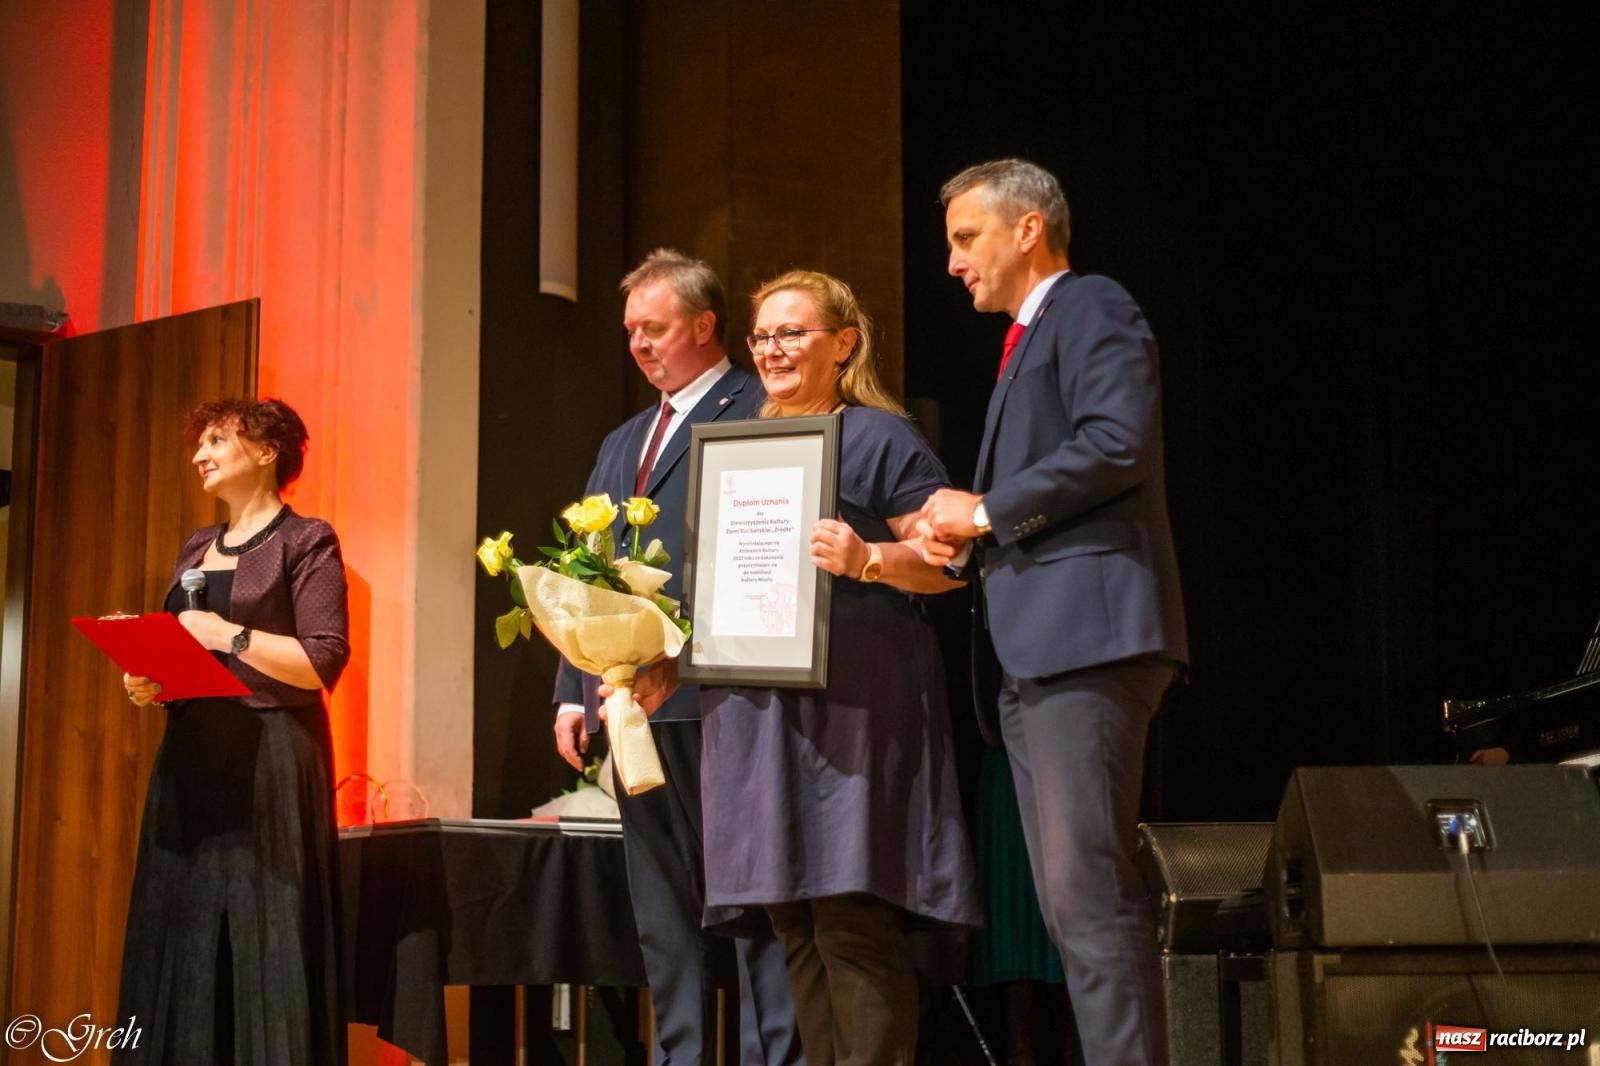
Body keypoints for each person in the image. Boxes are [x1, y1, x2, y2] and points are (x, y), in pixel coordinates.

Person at [917, 158, 1189, 1066]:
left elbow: (1118, 442)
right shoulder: (1025, 340)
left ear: (1028, 228)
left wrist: (986, 510)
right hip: (1036, 657)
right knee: (1070, 905)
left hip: (1089, 645)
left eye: (966, 238)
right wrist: (964, 536)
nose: (954, 262)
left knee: (1093, 896)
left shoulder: (1091, 306)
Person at [696, 270, 980, 1065]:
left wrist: (868, 560)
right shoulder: (737, 445)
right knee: (791, 919)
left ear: (843, 344)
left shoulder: (880, 437)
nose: (774, 350)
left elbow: (946, 562)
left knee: (849, 917)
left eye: (794, 333)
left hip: (853, 714)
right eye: (763, 337)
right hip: (758, 712)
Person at [552, 249, 802, 1066]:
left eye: (653, 329)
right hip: (630, 709)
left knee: (754, 900)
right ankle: (682, 1056)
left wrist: (690, 653)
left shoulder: (762, 406)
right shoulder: (625, 438)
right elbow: (581, 571)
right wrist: (572, 689)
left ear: (703, 325)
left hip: (725, 698)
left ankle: (772, 1056)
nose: (638, 345)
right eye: (629, 331)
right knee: (662, 907)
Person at [117, 398, 350, 1064]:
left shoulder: (306, 540)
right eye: (200, 444)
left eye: (218, 440)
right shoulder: (196, 546)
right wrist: (150, 680)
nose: (200, 455)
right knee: (181, 937)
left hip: (270, 760)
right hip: (192, 759)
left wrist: (227, 633)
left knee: (265, 935)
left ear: (267, 450)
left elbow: (320, 662)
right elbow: (187, 652)